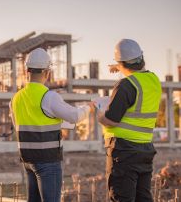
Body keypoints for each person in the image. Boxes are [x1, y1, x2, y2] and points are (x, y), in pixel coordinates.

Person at [10, 48, 91, 202]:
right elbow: (75, 116)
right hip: (47, 161)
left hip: (27, 160)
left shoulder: (16, 98)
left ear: (27, 70)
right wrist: (89, 107)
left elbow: (22, 125)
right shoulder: (49, 97)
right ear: (47, 72)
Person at [96, 39, 161, 202]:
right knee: (143, 197)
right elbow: (138, 74)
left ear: (121, 62)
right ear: (142, 57)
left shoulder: (126, 85)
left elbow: (111, 119)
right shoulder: (154, 81)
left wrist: (98, 114)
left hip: (124, 151)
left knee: (121, 197)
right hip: (145, 149)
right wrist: (119, 66)